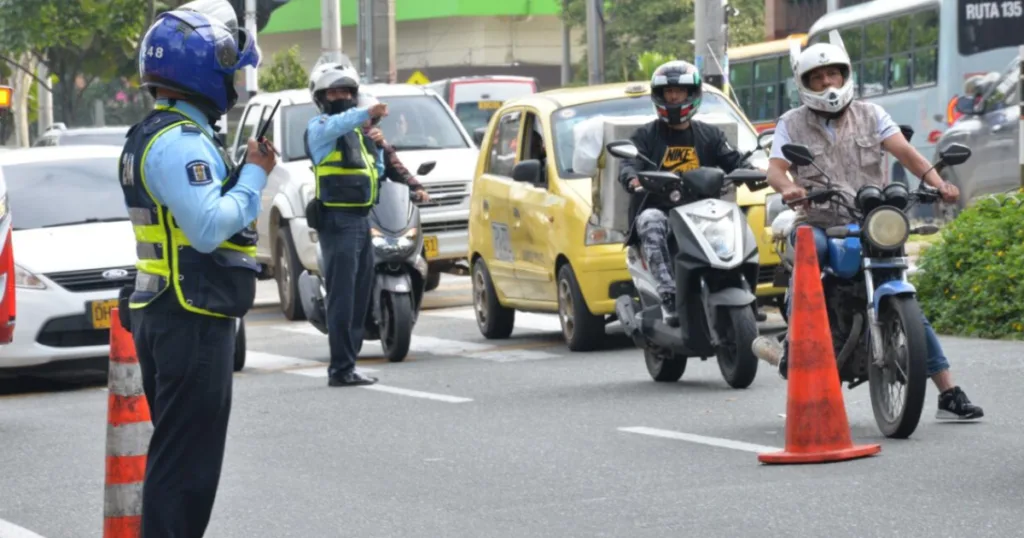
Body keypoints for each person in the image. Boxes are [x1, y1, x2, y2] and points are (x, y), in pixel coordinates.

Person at [750, 39, 984, 421]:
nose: (827, 82)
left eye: (833, 73)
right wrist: (789, 188)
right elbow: (776, 169)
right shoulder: (790, 123)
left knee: (902, 289)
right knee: (813, 252)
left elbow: (906, 153)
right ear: (804, 82)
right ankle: (797, 345)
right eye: (818, 76)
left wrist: (939, 184)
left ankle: (948, 391)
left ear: (845, 75)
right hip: (821, 221)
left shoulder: (872, 114)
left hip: (871, 220)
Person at [117, 4, 274, 536]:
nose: (235, 80)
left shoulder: (157, 134)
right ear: (203, 70)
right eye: (230, 67)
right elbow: (208, 227)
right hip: (189, 317)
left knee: (182, 462)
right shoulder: (179, 142)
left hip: (174, 314)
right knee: (185, 472)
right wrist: (253, 175)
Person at [618, 60, 756, 326]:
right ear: (658, 96)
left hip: (702, 212)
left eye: (678, 92)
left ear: (691, 94)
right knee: (650, 221)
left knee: (736, 220)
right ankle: (667, 293)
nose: (673, 97)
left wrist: (749, 171)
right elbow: (629, 163)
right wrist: (633, 178)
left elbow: (734, 160)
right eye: (668, 92)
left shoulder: (710, 135)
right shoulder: (645, 136)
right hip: (661, 209)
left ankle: (743, 288)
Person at [304, 62, 388, 387]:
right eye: (334, 91)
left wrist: (377, 146)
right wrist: (366, 114)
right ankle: (339, 369)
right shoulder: (321, 128)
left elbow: (375, 173)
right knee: (342, 296)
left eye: (348, 91)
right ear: (321, 97)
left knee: (358, 295)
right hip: (337, 220)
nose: (342, 96)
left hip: (361, 219)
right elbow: (344, 120)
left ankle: (349, 364)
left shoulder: (357, 134)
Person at [359, 94, 431, 203]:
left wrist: (416, 188)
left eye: (373, 118)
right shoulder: (339, 139)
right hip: (343, 206)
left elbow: (396, 168)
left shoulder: (379, 143)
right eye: (363, 118)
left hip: (375, 207)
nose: (368, 122)